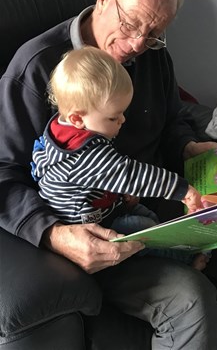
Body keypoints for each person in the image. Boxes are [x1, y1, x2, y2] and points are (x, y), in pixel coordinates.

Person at [0, 0, 217, 350]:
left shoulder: (152, 54)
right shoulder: (35, 69)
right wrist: (52, 234)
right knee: (189, 297)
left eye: (154, 33)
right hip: (98, 230)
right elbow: (4, 173)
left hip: (158, 206)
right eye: (131, 24)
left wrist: (188, 145)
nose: (137, 43)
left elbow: (171, 116)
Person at [31, 46, 208, 270]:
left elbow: (103, 174)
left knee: (149, 217)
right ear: (77, 118)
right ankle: (187, 259)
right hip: (92, 228)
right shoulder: (85, 156)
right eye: (114, 117)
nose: (122, 120)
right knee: (143, 230)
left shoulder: (61, 126)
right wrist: (183, 190)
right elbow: (132, 174)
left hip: (103, 201)